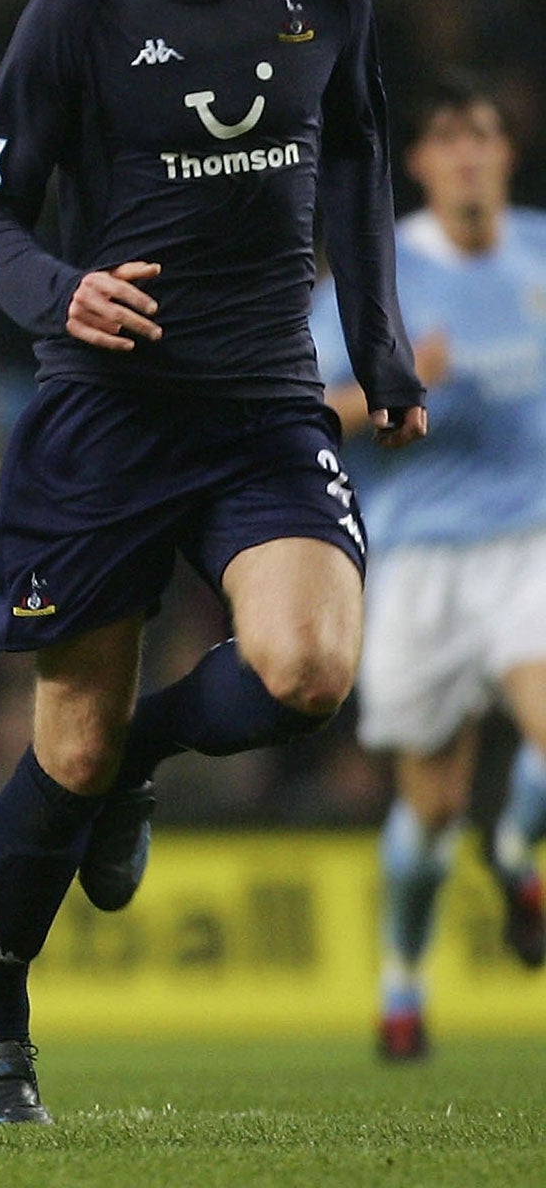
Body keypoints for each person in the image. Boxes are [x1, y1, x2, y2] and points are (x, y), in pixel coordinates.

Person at [0, 0, 427, 1123]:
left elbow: (355, 163)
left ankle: (150, 761)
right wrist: (63, 292)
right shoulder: (71, 21)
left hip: (266, 408)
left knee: (308, 671)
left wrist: (381, 352)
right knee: (68, 749)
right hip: (106, 419)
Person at [312, 73, 546, 1061]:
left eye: (482, 136)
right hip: (414, 559)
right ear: (415, 164)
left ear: (504, 155)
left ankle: (513, 853)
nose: (466, 155)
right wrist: (392, 392)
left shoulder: (539, 254)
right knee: (429, 802)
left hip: (529, 537)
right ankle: (401, 985)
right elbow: (307, 417)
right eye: (446, 140)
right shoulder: (375, 277)